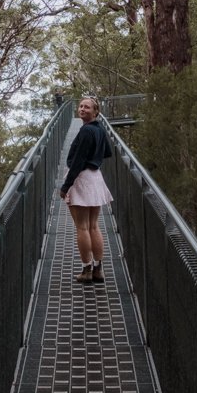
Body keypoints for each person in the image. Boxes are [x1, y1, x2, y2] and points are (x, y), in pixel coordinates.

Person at [60, 96, 113, 283]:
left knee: (82, 227)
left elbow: (78, 161)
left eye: (87, 107)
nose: (82, 109)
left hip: (81, 178)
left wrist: (66, 186)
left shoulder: (86, 131)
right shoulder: (99, 129)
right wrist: (94, 156)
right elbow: (107, 152)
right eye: (81, 106)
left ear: (95, 111)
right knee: (94, 226)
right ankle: (98, 270)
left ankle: (86, 271)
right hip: (95, 177)